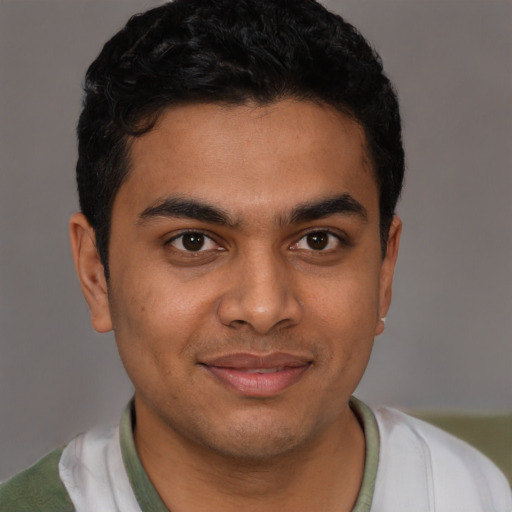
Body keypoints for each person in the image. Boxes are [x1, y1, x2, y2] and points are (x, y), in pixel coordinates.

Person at [0, 0, 510, 510]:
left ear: (383, 269)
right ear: (96, 274)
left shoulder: (486, 490)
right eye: (193, 242)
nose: (264, 308)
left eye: (318, 240)